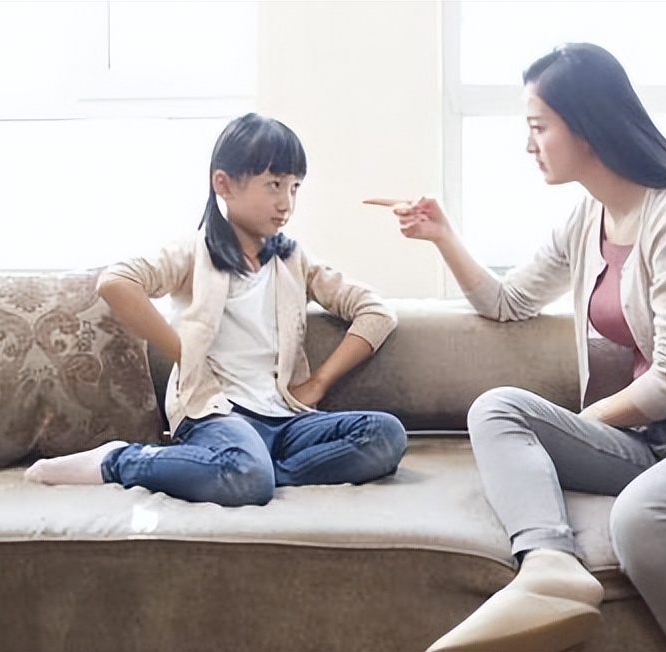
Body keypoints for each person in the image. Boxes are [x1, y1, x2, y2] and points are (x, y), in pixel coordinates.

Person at [365, 43, 666, 652]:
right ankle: (550, 568)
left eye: (538, 127)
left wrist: (575, 426)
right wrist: (442, 236)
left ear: (589, 127)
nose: (528, 143)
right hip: (651, 443)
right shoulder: (587, 217)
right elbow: (508, 301)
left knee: (643, 518)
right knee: (497, 409)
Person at [25, 112, 408, 507]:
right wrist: (187, 357)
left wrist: (319, 383)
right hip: (216, 413)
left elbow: (376, 312)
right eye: (274, 185)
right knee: (247, 473)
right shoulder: (194, 251)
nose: (286, 203)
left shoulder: (293, 259)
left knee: (385, 436)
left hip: (284, 417)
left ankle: (251, 470)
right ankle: (119, 459)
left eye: (295, 188)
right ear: (223, 184)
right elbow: (117, 282)